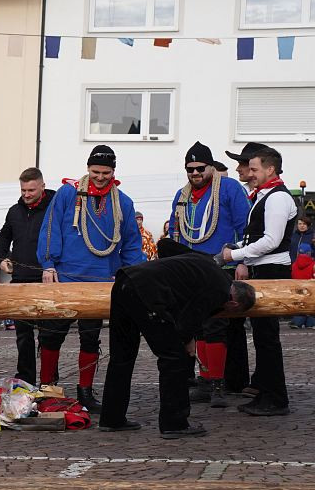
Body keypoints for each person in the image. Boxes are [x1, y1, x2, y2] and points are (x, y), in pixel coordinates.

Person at [99, 252, 257, 438]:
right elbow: (190, 318)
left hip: (125, 280)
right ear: (233, 303)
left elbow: (168, 247)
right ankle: (174, 423)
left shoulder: (211, 267)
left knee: (122, 356)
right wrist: (188, 341)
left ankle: (112, 418)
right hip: (147, 292)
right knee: (174, 359)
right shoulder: (220, 291)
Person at [37, 145, 145, 412]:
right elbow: (51, 228)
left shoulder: (124, 202)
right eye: (96, 171)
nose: (100, 177)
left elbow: (131, 243)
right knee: (52, 336)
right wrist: (48, 264)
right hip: (65, 278)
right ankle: (48, 387)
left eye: (105, 172)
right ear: (88, 168)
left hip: (100, 282)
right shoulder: (67, 194)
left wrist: (133, 275)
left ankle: (85, 391)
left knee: (90, 337)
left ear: (113, 171)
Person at [165, 141, 251, 407]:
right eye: (189, 169)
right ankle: (203, 380)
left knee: (216, 325)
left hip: (219, 265)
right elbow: (175, 233)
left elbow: (243, 225)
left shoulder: (229, 188)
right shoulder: (182, 195)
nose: (195, 173)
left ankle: (217, 383)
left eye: (200, 168)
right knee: (196, 325)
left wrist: (242, 260)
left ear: (211, 167)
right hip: (190, 268)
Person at [222, 147, 297, 417]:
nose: (249, 174)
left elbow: (271, 241)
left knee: (267, 338)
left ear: (270, 169)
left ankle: (276, 398)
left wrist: (235, 255)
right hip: (262, 269)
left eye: (254, 169)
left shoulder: (277, 198)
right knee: (263, 336)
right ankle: (265, 391)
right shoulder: (265, 196)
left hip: (272, 270)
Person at [0, 167, 55, 385]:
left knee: (49, 335)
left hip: (46, 280)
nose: (27, 194)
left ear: (42, 186)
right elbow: (3, 240)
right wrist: (1, 259)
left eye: (31, 190)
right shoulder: (14, 211)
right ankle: (27, 378)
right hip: (20, 279)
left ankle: (50, 380)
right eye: (23, 190)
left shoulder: (54, 209)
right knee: (23, 336)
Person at [221, 142, 268, 395]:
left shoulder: (270, 196)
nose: (239, 169)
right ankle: (240, 378)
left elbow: (266, 238)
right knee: (236, 325)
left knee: (262, 331)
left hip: (264, 265)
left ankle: (265, 384)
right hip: (250, 260)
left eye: (243, 164)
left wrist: (240, 258)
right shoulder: (253, 193)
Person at [290, 242, 315, 329]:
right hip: (311, 293)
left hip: (298, 291)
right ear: (309, 253)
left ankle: (297, 322)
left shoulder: (294, 265)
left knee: (300, 308)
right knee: (312, 309)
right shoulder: (313, 265)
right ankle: (311, 323)